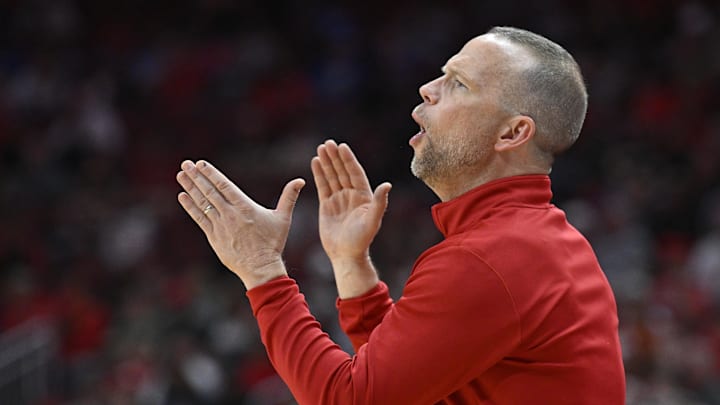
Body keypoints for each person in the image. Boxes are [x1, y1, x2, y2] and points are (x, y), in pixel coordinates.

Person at [176, 26, 626, 404]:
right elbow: (404, 380)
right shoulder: (529, 242)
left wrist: (262, 272)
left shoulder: (494, 257)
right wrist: (351, 263)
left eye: (458, 83)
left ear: (512, 132)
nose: (427, 89)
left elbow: (351, 399)